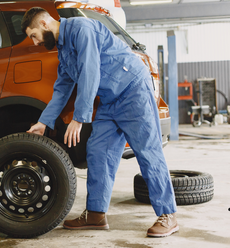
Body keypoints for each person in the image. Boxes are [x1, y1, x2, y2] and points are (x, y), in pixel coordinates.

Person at [21, 7, 179, 237]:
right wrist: (44, 122)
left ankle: (168, 215)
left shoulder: (81, 29)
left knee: (147, 151)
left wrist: (79, 118)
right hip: (109, 100)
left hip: (132, 91)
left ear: (44, 24)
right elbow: (63, 87)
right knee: (98, 151)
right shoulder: (63, 49)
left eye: (33, 35)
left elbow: (90, 72)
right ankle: (96, 214)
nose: (34, 42)